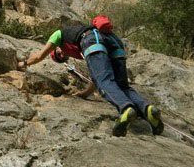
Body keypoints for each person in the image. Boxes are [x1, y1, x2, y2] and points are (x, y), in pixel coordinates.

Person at [17, 15, 164, 137]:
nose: (62, 55)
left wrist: (24, 63)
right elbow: (96, 76)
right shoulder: (79, 50)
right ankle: (148, 110)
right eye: (61, 58)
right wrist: (85, 93)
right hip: (114, 43)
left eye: (58, 53)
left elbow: (40, 56)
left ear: (56, 49)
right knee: (122, 85)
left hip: (95, 40)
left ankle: (126, 108)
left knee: (105, 82)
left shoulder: (59, 34)